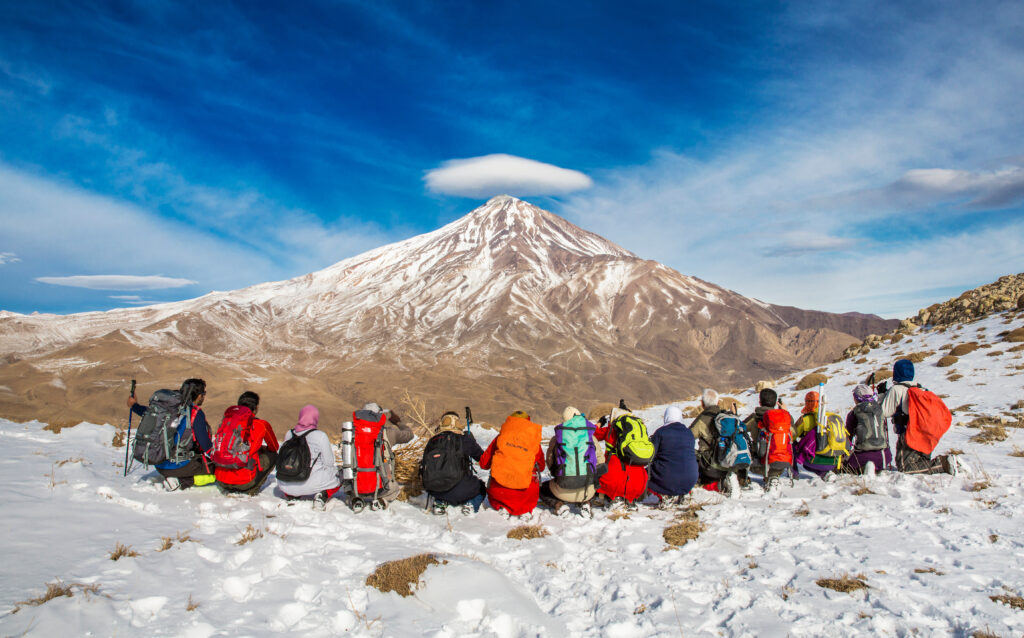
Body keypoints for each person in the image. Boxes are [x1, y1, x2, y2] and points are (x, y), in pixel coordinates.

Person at [128, 378, 215, 491]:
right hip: (179, 466)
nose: (203, 396)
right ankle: (182, 482)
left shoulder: (169, 410)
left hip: (159, 463)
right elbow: (205, 445)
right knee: (215, 471)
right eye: (203, 394)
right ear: (198, 395)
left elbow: (146, 412)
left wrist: (133, 405)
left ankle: (175, 476)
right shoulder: (194, 413)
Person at [881, 359, 959, 475]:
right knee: (921, 462)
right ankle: (949, 465)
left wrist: (882, 395)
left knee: (906, 468)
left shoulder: (897, 389)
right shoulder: (921, 389)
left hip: (909, 433)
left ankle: (944, 463)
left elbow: (884, 412)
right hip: (926, 432)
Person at [479, 410, 545, 519]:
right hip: (526, 495)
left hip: (500, 492)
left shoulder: (500, 438)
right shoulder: (533, 441)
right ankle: (525, 510)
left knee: (497, 492)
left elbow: (483, 464)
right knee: (530, 492)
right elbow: (541, 467)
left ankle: (502, 506)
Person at [540, 407, 604, 518]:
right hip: (587, 492)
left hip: (562, 490)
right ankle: (585, 503)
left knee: (543, 488)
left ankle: (559, 505)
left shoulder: (557, 438)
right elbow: (601, 461)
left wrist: (558, 472)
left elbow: (550, 462)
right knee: (592, 483)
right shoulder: (590, 436)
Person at [346, 402, 414, 507]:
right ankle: (383, 499)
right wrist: (398, 422)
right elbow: (409, 435)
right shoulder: (388, 433)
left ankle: (355, 497)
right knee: (393, 487)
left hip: (356, 485)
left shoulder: (351, 433)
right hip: (382, 486)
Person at [214, 391, 280, 495]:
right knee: (274, 456)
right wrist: (260, 448)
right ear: (256, 408)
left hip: (221, 479)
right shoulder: (261, 424)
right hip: (245, 482)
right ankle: (252, 489)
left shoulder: (227, 423)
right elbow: (274, 447)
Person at [276, 405, 341, 510]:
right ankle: (323, 495)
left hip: (285, 485)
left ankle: (292, 495)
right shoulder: (320, 435)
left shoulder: (289, 433)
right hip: (313, 484)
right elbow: (329, 462)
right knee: (338, 476)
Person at [421, 411, 486, 516]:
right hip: (460, 490)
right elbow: (482, 458)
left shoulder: (433, 441)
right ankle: (471, 504)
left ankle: (440, 502)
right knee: (481, 487)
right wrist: (471, 441)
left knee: (443, 486)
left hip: (434, 489)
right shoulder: (464, 440)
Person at [593, 402, 650, 510]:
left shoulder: (611, 429)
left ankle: (614, 498)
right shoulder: (638, 432)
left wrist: (599, 424)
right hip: (639, 484)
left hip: (615, 482)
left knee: (597, 474)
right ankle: (629, 500)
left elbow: (593, 434)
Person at [742, 388, 794, 492]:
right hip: (780, 464)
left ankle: (742, 478)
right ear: (776, 403)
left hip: (757, 465)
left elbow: (739, 428)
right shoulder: (784, 420)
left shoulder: (754, 418)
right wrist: (785, 412)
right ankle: (773, 477)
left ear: (760, 402)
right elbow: (794, 434)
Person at [647, 406, 699, 508]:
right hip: (691, 479)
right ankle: (685, 493)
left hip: (667, 479)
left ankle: (666, 495)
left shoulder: (661, 432)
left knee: (645, 474)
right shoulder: (688, 433)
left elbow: (650, 455)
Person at [688, 389, 734, 493]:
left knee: (688, 452)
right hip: (729, 462)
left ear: (702, 404)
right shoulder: (727, 418)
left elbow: (687, 437)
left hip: (710, 466)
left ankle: (702, 482)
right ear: (718, 402)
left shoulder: (702, 419)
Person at [791, 391, 842, 480]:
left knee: (792, 444)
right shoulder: (831, 418)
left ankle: (794, 472)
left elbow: (792, 436)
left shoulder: (805, 419)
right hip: (834, 461)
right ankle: (825, 474)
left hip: (814, 460)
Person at [844, 384, 893, 475]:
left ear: (856, 398)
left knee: (845, 466)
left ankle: (866, 467)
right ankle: (879, 468)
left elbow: (848, 438)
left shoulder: (854, 413)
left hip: (863, 455)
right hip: (884, 455)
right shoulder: (880, 409)